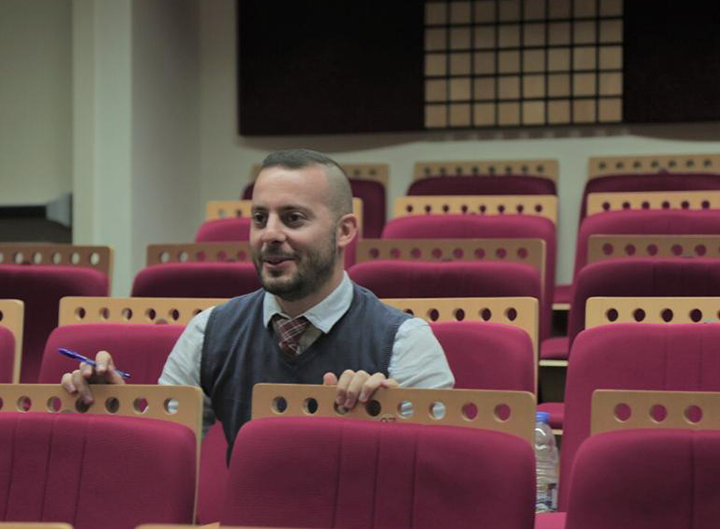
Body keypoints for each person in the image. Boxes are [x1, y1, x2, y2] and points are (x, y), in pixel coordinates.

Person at [62, 149, 454, 449]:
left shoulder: (405, 344)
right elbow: (162, 454)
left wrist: (383, 425)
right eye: (260, 218)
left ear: (344, 230)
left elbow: (436, 479)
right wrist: (114, 409)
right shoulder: (208, 332)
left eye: (293, 218)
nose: (270, 234)